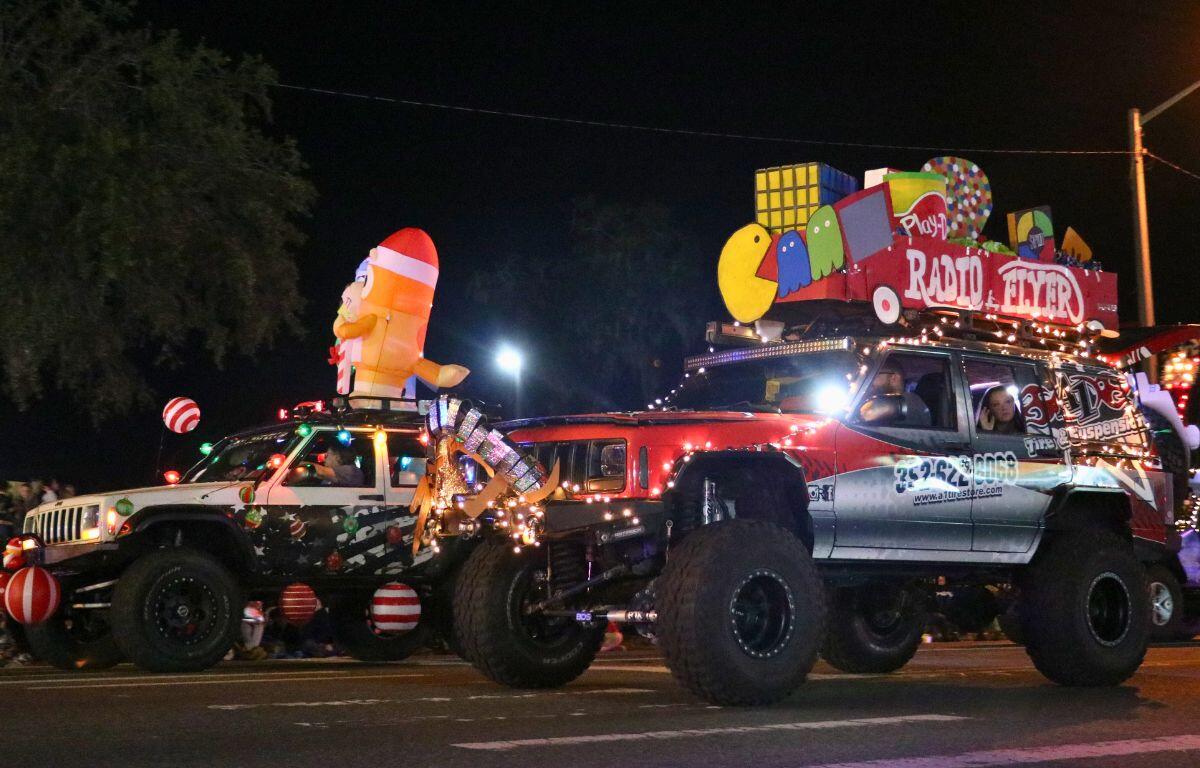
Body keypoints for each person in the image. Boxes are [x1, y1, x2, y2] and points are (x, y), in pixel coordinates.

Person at [867, 359, 932, 426]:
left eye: (876, 374)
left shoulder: (905, 404)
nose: (871, 380)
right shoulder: (903, 401)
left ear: (894, 378)